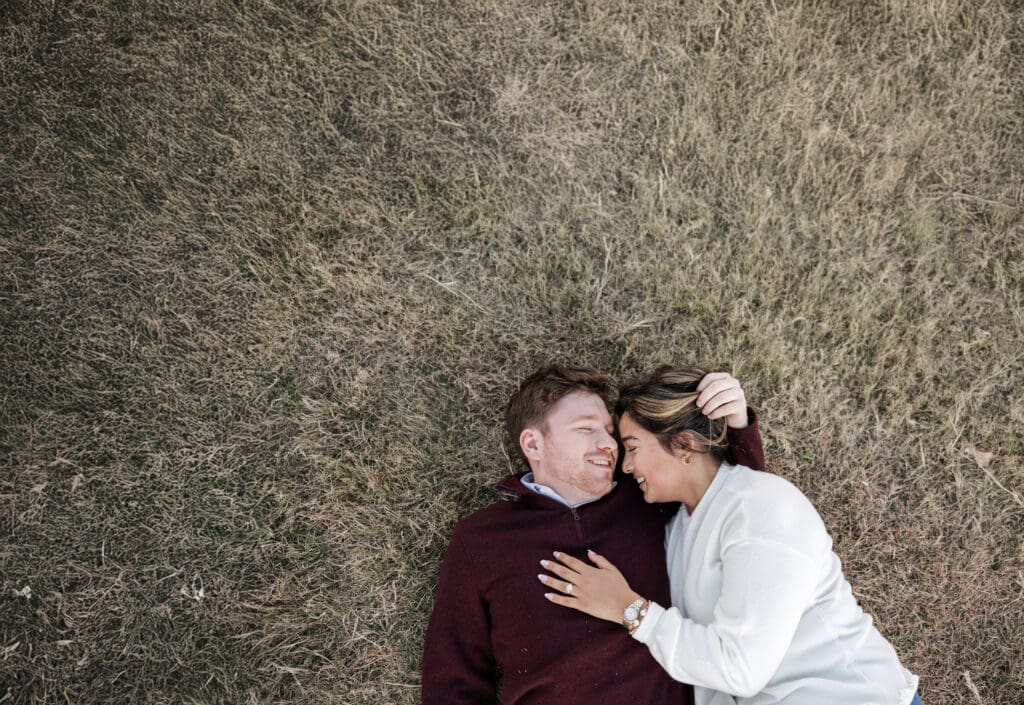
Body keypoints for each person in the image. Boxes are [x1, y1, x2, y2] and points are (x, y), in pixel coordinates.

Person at [539, 365, 921, 705]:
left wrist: (631, 610)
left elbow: (740, 669)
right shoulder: (677, 531)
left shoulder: (763, 507)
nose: (626, 465)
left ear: (685, 445)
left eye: (633, 447)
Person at [421, 365, 766, 705]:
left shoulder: (647, 500)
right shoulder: (482, 539)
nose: (609, 445)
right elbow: (453, 679)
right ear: (533, 444)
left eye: (609, 431)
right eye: (586, 429)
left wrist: (736, 423)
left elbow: (740, 512)